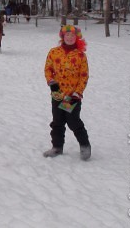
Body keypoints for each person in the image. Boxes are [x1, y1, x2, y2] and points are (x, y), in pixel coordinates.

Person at [43, 25, 91, 161]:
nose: (69, 38)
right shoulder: (54, 52)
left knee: (73, 121)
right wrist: (51, 82)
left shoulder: (80, 55)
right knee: (58, 121)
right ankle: (57, 147)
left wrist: (78, 93)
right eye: (67, 35)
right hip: (57, 94)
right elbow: (48, 69)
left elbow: (84, 75)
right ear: (62, 37)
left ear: (77, 38)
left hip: (71, 96)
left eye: (72, 36)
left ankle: (85, 146)